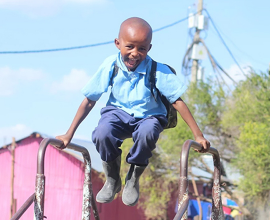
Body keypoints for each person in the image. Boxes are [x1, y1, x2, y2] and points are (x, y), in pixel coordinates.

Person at [56, 17, 210, 207]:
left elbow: (177, 101)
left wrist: (199, 135)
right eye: (129, 47)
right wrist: (68, 134)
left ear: (149, 48)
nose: (135, 54)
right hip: (117, 114)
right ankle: (112, 178)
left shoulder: (157, 70)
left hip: (148, 117)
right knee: (102, 133)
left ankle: (133, 177)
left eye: (141, 49)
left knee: (148, 131)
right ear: (117, 43)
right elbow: (89, 100)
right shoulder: (110, 65)